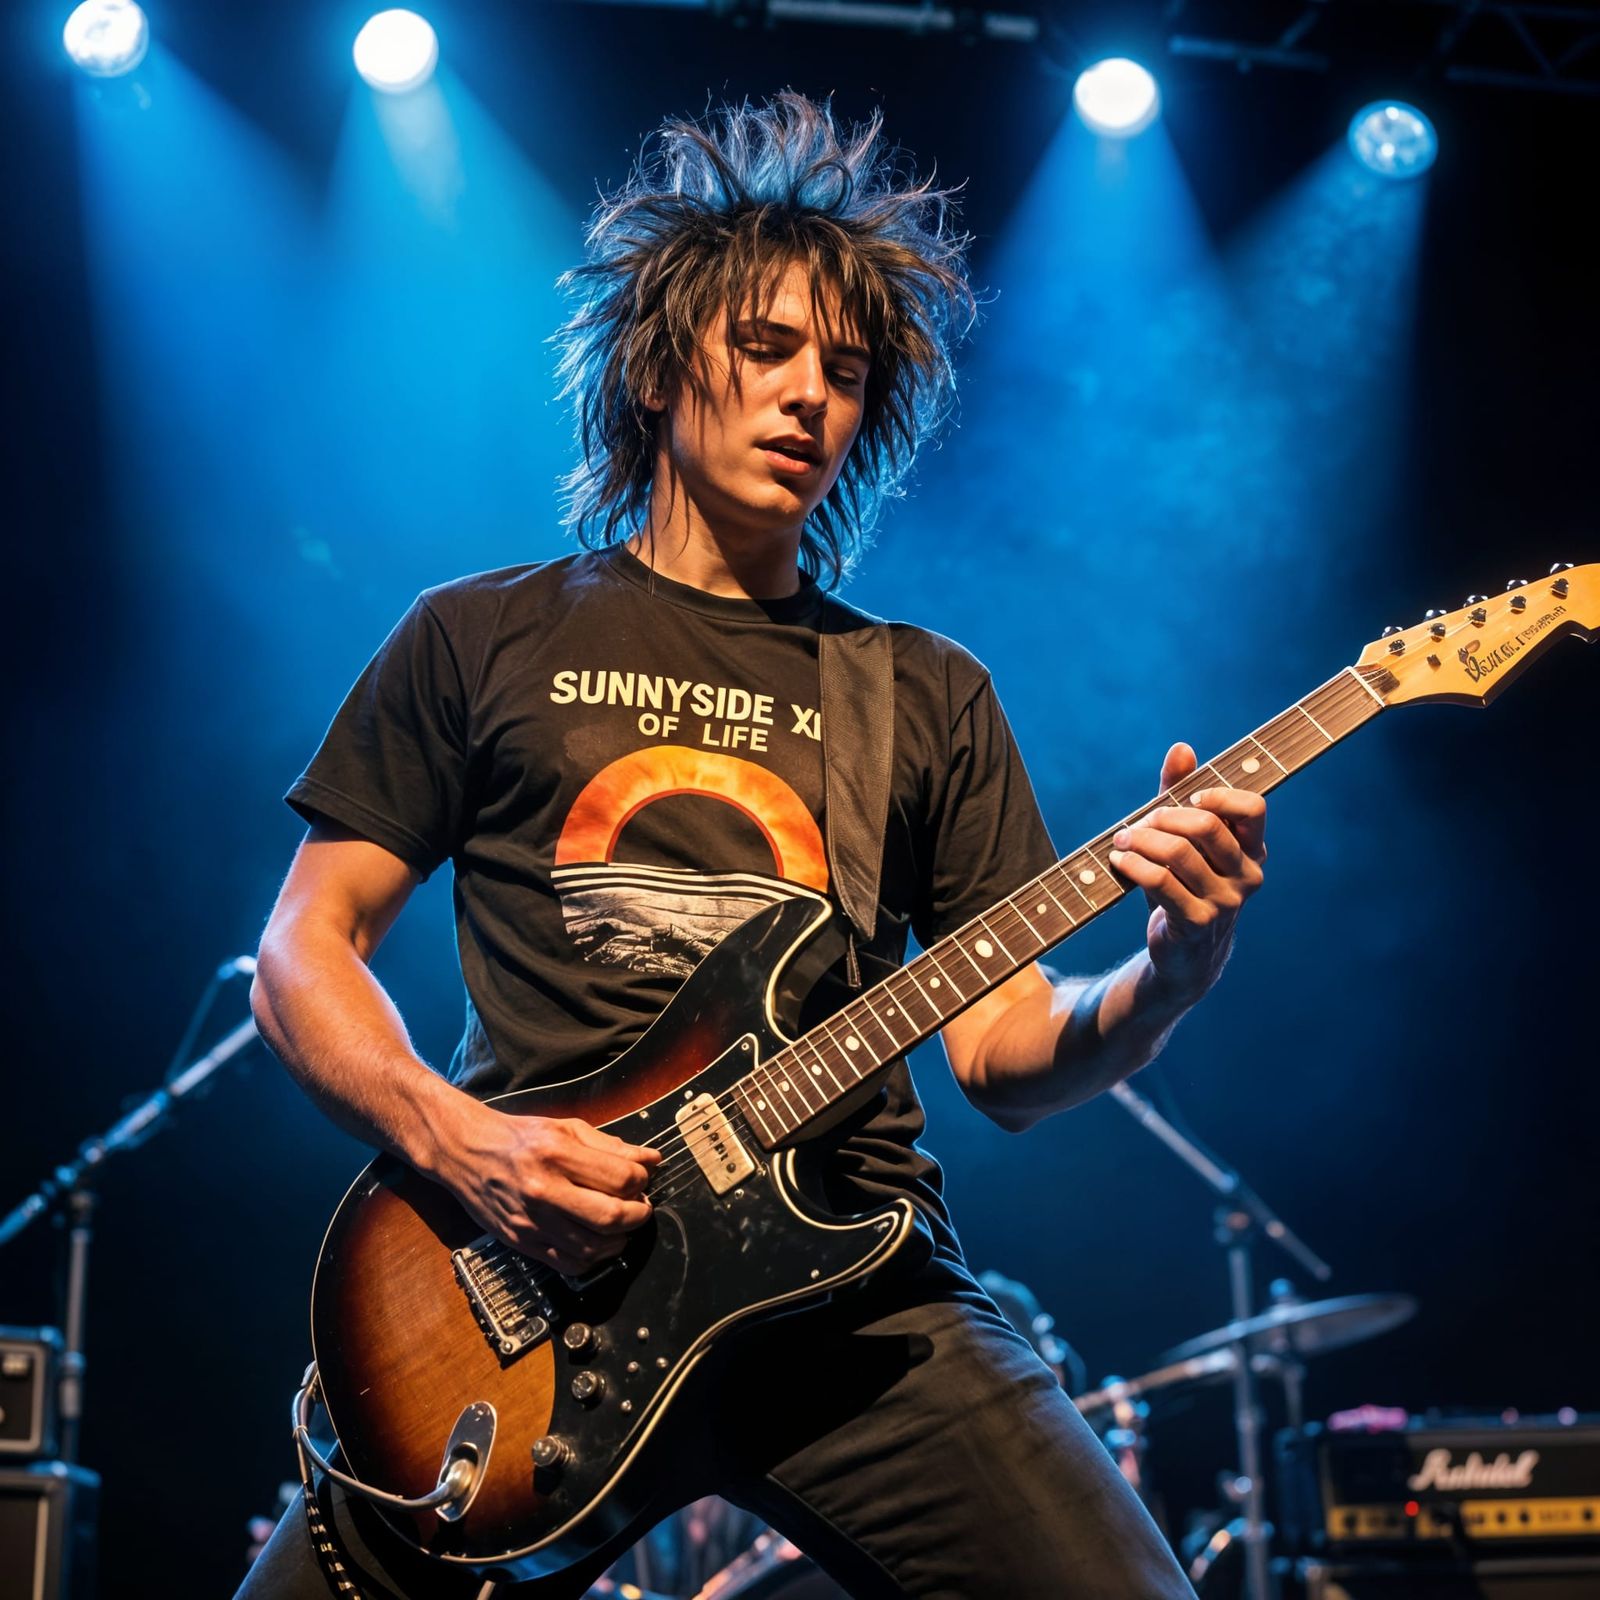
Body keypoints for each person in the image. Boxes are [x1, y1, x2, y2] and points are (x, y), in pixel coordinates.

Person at [238, 92, 1266, 1600]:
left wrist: (1170, 979)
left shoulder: (919, 689)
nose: (810, 400)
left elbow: (1004, 1060)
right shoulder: (482, 635)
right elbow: (300, 951)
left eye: (845, 374)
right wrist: (459, 1137)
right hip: (530, 1286)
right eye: (768, 350)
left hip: (854, 1292)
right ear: (661, 370)